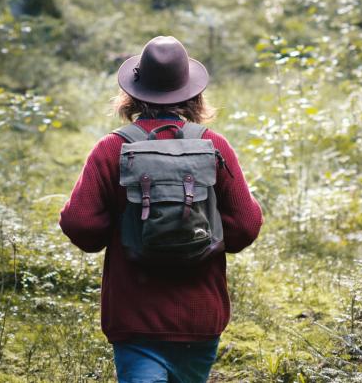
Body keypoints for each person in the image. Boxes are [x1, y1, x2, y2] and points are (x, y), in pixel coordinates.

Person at [60, 36, 263, 383]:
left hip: (134, 313)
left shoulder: (112, 148)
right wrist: (201, 233)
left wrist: (127, 221)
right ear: (193, 93)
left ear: (133, 94)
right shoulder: (214, 145)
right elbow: (246, 225)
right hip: (199, 314)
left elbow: (80, 223)